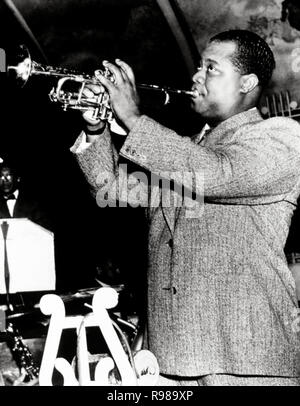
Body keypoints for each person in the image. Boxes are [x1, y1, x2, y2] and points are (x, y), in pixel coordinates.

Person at [71, 29, 300, 385]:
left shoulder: (280, 137)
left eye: (212, 68)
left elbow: (216, 172)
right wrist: (96, 128)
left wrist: (133, 119)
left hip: (247, 359)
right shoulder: (183, 152)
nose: (196, 75)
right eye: (198, 65)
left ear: (247, 82)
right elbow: (110, 189)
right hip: (173, 356)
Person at [0, 161, 53, 231]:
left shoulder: (34, 203)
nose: (5, 180)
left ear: (18, 178)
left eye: (8, 176)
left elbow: (46, 231)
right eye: (1, 177)